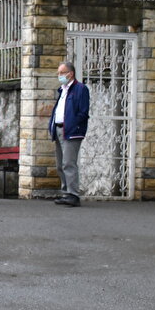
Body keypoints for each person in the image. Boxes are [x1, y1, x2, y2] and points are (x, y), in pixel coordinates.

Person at [49, 61, 89, 207]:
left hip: (71, 131)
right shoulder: (62, 90)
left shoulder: (80, 89)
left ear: (70, 74)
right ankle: (66, 192)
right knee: (60, 164)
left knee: (68, 163)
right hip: (59, 129)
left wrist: (72, 124)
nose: (59, 75)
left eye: (61, 73)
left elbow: (83, 112)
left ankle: (73, 194)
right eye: (58, 73)